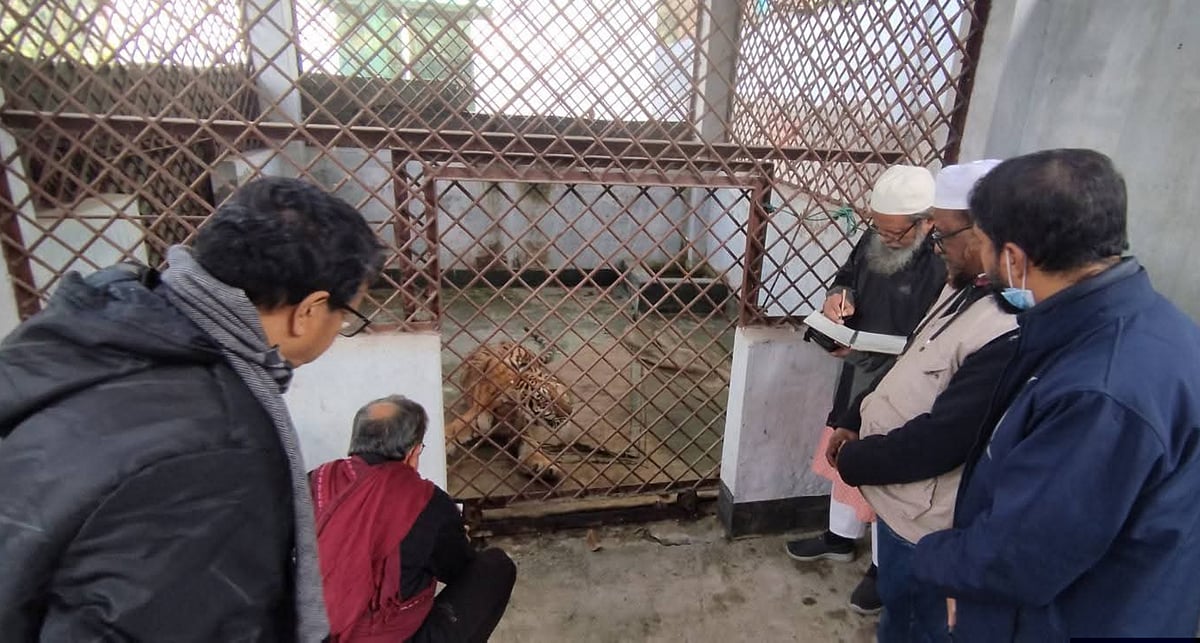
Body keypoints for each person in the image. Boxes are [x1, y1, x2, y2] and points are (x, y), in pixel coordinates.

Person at [0, 177, 384, 641]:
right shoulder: (220, 447)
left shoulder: (90, 336)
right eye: (346, 316)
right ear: (309, 311)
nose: (338, 327)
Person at [912, 149, 1200, 640]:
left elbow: (1021, 557)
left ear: (1014, 257)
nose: (980, 259)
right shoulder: (1143, 328)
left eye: (982, 242)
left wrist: (933, 559)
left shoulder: (1101, 392)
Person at [828, 160, 1016, 642]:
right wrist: (854, 418)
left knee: (915, 622)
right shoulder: (964, 286)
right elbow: (916, 357)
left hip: (922, 507)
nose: (938, 244)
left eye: (944, 233)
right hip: (892, 478)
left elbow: (945, 436)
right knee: (900, 614)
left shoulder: (1002, 321)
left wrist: (857, 458)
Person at [787, 164, 947, 614]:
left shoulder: (942, 264)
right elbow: (848, 275)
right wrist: (839, 300)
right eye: (879, 228)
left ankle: (882, 569)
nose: (886, 238)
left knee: (884, 470)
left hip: (902, 380)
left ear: (927, 222)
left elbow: (934, 336)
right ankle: (839, 538)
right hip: (858, 364)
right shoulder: (875, 238)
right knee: (843, 451)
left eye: (896, 233)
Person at [311, 395, 517, 643]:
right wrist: (453, 533)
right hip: (387, 637)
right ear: (413, 452)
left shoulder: (316, 480)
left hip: (311, 632)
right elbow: (457, 569)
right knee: (496, 566)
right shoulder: (424, 501)